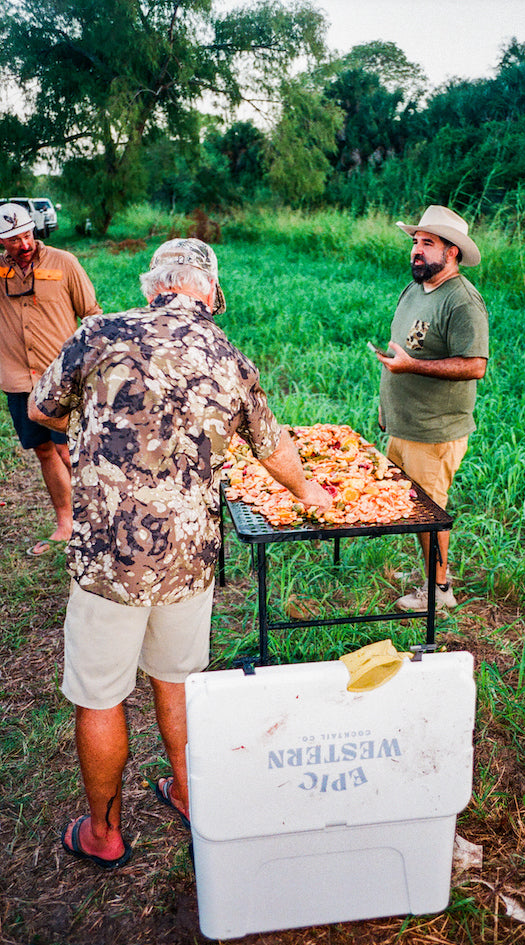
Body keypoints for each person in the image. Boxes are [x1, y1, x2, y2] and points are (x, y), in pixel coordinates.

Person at [28, 237, 332, 868]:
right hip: (189, 559)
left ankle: (104, 834)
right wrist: (310, 490)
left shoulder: (99, 332)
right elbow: (273, 451)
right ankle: (191, 795)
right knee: (179, 680)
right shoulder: (230, 355)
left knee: (100, 695)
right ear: (212, 295)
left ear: (151, 286)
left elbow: (39, 408)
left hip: (109, 560)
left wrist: (92, 420)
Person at [372, 205, 489, 612]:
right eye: (415, 243)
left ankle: (438, 590)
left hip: (435, 429)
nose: (416, 251)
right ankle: (431, 571)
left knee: (429, 512)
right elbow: (400, 350)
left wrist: (412, 367)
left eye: (428, 244)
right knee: (413, 507)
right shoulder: (415, 289)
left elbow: (475, 365)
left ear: (452, 252)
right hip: (404, 424)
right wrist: (386, 406)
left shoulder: (462, 302)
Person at [0, 201, 101, 556]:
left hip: (61, 376)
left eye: (26, 235)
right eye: (13, 240)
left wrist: (88, 364)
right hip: (17, 379)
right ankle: (66, 524)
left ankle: (98, 522)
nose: (23, 245)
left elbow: (91, 314)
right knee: (44, 450)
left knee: (68, 448)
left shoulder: (64, 262)